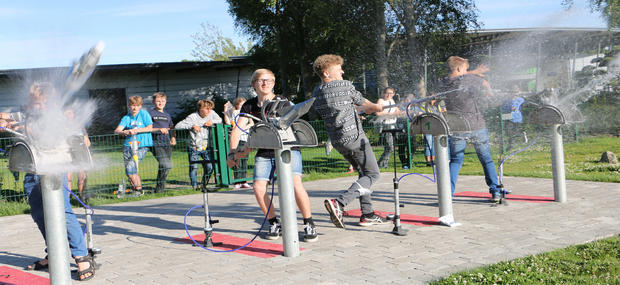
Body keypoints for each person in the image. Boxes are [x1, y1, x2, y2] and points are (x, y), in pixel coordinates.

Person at [2, 82, 95, 281]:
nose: (39, 106)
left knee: (63, 212)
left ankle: (81, 256)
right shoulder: (28, 117)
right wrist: (8, 123)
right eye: (36, 102)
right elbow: (12, 122)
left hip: (53, 171)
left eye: (43, 102)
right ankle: (54, 253)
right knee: (39, 213)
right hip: (33, 171)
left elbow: (78, 140)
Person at [227, 68, 318, 242]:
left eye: (269, 80)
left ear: (274, 83)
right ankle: (274, 222)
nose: (265, 83)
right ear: (254, 84)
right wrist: (233, 152)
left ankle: (309, 222)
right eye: (261, 80)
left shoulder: (282, 102)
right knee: (258, 187)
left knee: (295, 184)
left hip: (287, 149)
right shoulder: (249, 106)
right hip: (265, 151)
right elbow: (237, 130)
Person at [311, 54, 385, 228]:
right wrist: (376, 107)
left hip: (338, 141)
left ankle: (367, 214)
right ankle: (340, 203)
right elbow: (367, 104)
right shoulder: (344, 85)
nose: (342, 71)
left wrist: (357, 112)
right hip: (355, 139)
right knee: (373, 174)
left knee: (363, 174)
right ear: (326, 73)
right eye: (338, 69)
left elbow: (339, 109)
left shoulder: (318, 91)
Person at [436, 56, 502, 202]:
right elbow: (484, 83)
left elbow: (456, 77)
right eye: (465, 68)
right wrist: (489, 91)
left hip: (456, 127)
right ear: (459, 69)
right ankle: (495, 191)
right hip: (476, 125)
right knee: (486, 159)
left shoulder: (442, 82)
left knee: (455, 160)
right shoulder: (468, 79)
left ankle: (447, 194)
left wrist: (471, 71)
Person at [176, 99, 222, 190]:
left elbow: (219, 119)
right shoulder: (192, 117)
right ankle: (194, 185)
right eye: (207, 108)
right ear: (200, 108)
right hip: (194, 147)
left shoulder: (211, 114)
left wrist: (212, 122)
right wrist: (192, 126)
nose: (209, 111)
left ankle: (204, 183)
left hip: (206, 146)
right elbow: (178, 126)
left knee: (210, 166)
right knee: (194, 167)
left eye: (210, 108)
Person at [114, 95, 153, 196]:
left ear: (140, 106)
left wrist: (136, 131)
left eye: (137, 105)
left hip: (142, 145)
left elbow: (149, 128)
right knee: (130, 170)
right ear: (129, 106)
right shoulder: (126, 117)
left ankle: (139, 190)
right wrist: (124, 132)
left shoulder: (144, 114)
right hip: (128, 145)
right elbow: (117, 130)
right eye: (132, 105)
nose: (134, 108)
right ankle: (136, 189)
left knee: (131, 167)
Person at [147, 92, 176, 193]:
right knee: (166, 165)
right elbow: (147, 128)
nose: (160, 103)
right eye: (158, 101)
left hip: (166, 143)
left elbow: (171, 127)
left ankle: (160, 189)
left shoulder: (167, 115)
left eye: (163, 101)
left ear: (165, 102)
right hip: (156, 143)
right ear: (153, 102)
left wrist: (173, 137)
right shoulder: (150, 113)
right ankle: (160, 188)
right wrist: (159, 129)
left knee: (164, 167)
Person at [224, 97, 252, 190]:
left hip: (245, 138)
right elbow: (227, 121)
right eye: (241, 104)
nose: (243, 106)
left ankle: (244, 180)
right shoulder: (233, 113)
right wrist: (225, 109)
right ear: (237, 105)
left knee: (245, 160)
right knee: (236, 160)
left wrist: (242, 128)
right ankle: (237, 181)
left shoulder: (246, 114)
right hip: (236, 140)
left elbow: (251, 123)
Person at [64, 108, 91, 200]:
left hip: (80, 154)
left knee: (82, 175)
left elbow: (87, 141)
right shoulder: (62, 126)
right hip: (68, 154)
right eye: (66, 113)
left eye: (70, 113)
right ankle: (67, 198)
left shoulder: (80, 126)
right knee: (68, 177)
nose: (68, 115)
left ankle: (82, 196)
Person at [376, 87, 402, 168]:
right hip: (385, 125)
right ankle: (381, 164)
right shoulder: (381, 101)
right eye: (387, 93)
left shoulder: (392, 101)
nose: (388, 95)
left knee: (390, 147)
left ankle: (382, 164)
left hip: (393, 124)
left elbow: (398, 111)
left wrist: (397, 112)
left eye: (391, 93)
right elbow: (378, 113)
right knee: (390, 147)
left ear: (393, 94)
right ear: (383, 93)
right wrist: (390, 115)